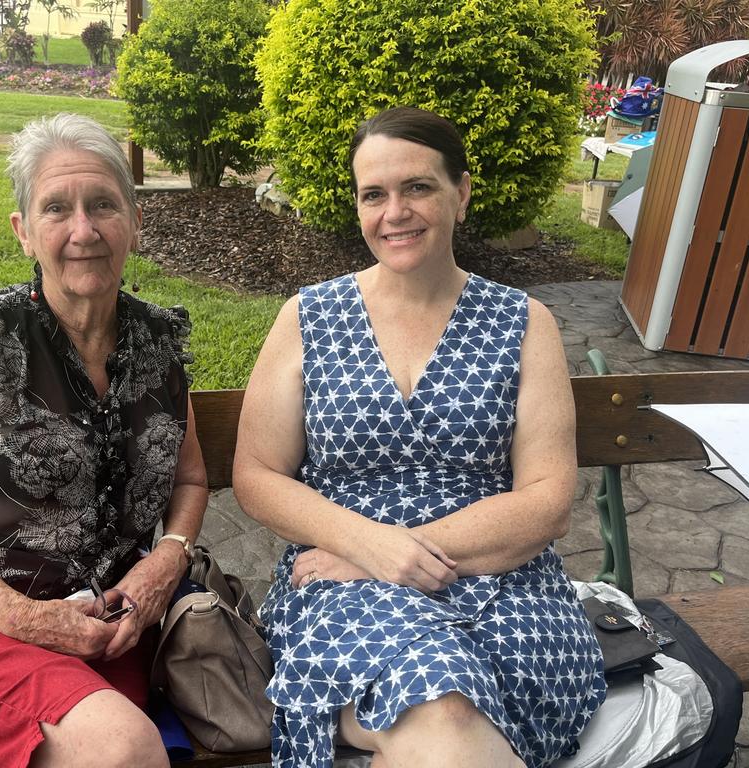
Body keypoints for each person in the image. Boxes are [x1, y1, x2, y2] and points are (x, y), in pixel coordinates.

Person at [233, 107, 606, 768]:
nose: (394, 211)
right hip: (344, 589)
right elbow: (258, 474)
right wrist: (366, 549)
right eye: (373, 194)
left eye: (418, 188)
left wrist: (403, 552)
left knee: (453, 717)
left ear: (461, 193)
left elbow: (548, 499)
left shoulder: (525, 323)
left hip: (502, 581)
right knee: (444, 710)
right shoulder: (308, 317)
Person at [0, 113, 207, 768]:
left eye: (103, 204)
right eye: (57, 208)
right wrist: (27, 621)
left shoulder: (158, 343)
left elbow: (190, 481)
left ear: (135, 222)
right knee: (124, 747)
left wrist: (166, 561)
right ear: (25, 231)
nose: (84, 230)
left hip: (102, 629)